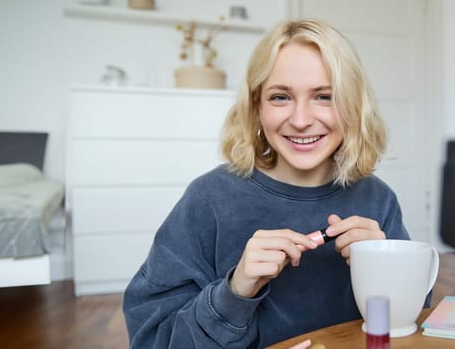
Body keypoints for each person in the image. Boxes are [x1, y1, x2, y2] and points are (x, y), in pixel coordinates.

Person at [122, 18, 410, 348]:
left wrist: (386, 267)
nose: (301, 121)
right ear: (256, 106)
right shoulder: (209, 200)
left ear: (354, 106)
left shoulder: (378, 200)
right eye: (280, 98)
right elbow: (152, 339)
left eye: (324, 97)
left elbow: (408, 324)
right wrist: (234, 291)